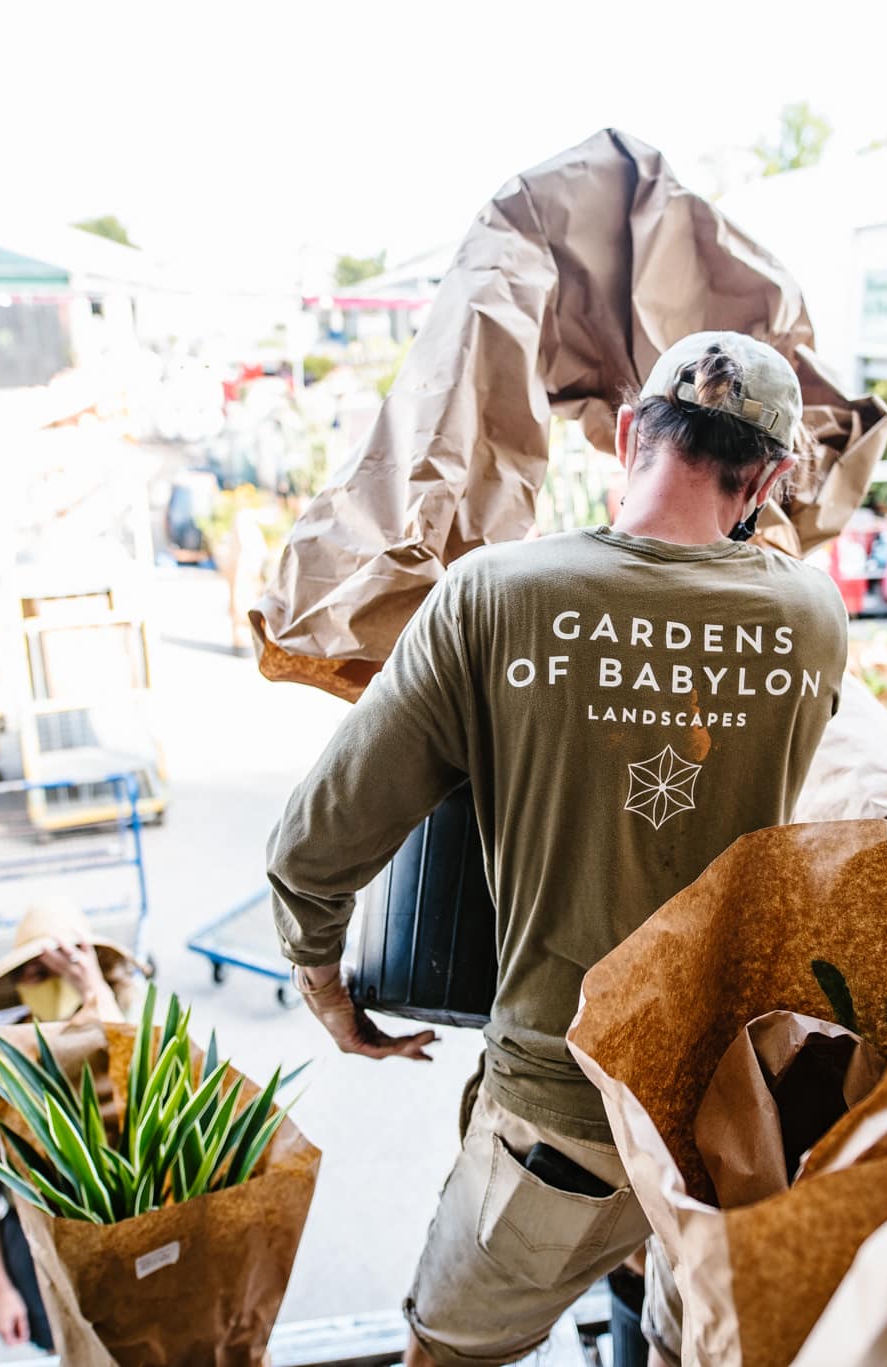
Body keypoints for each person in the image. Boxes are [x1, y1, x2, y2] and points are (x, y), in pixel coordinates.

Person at [268, 332, 849, 1367]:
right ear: (763, 478)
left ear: (627, 434)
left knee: (448, 1351)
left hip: (560, 1117)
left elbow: (319, 837)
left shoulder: (496, 595)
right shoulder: (811, 613)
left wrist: (324, 979)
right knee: (691, 1345)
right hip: (728, 1117)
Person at [0, 901, 145, 1351]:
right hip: (36, 1247)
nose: (53, 981)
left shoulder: (118, 1031)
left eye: (64, 967)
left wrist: (92, 986)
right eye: (37, 973)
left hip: (128, 1225)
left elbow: (140, 1078)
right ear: (18, 985)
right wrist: (0, 1288)